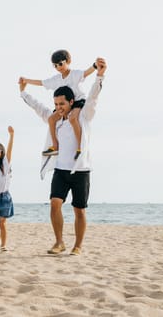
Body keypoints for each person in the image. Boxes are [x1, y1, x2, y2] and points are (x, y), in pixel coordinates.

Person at [18, 59, 106, 256]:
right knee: (55, 203)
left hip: (81, 170)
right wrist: (23, 92)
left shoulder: (83, 116)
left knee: (79, 210)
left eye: (62, 104)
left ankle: (78, 246)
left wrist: (99, 75)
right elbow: (38, 107)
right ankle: (59, 242)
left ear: (71, 102)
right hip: (60, 169)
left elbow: (92, 98)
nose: (58, 107)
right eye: (56, 104)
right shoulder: (55, 119)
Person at [20, 50, 102, 160]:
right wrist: (26, 80)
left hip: (78, 101)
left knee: (73, 118)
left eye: (60, 64)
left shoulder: (74, 74)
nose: (59, 67)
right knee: (51, 119)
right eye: (55, 66)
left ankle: (79, 147)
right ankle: (55, 146)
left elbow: (86, 72)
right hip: (64, 105)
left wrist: (95, 66)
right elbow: (42, 82)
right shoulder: (56, 80)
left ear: (68, 61)